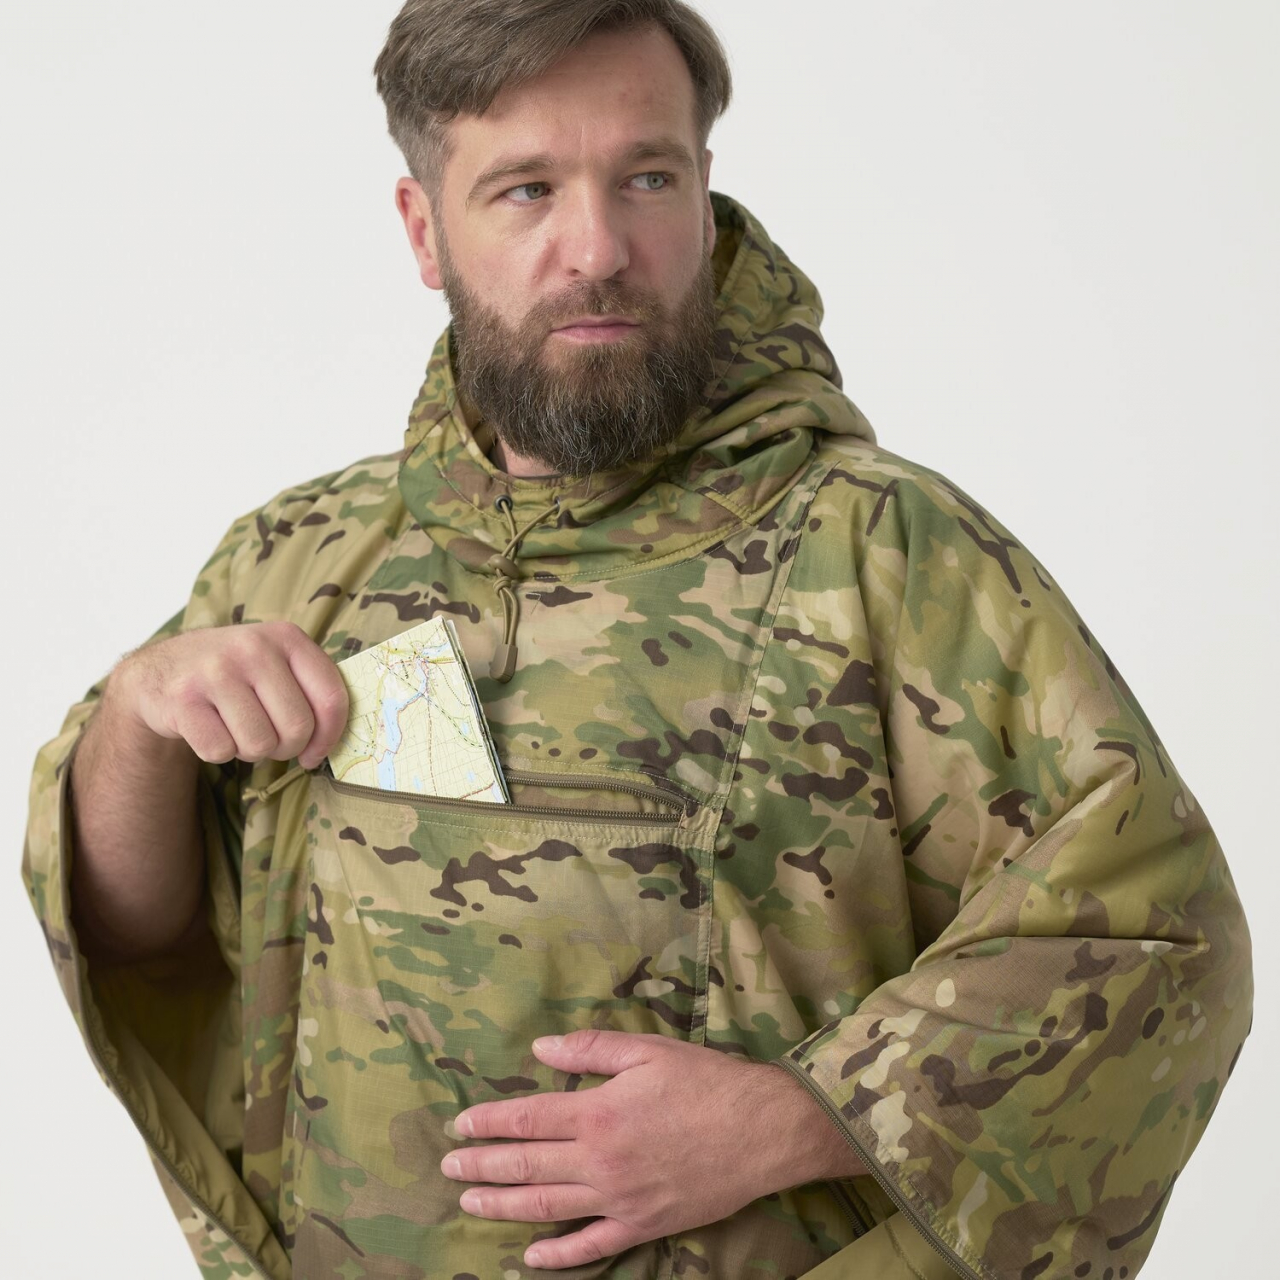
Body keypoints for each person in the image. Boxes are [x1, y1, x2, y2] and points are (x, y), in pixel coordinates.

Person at [21, 1, 1253, 1277]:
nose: (598, 247)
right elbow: (142, 941)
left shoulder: (885, 555)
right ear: (422, 228)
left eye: (645, 178)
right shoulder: (299, 557)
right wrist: (136, 718)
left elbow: (1161, 941)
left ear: (704, 194)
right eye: (526, 190)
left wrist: (802, 1115)